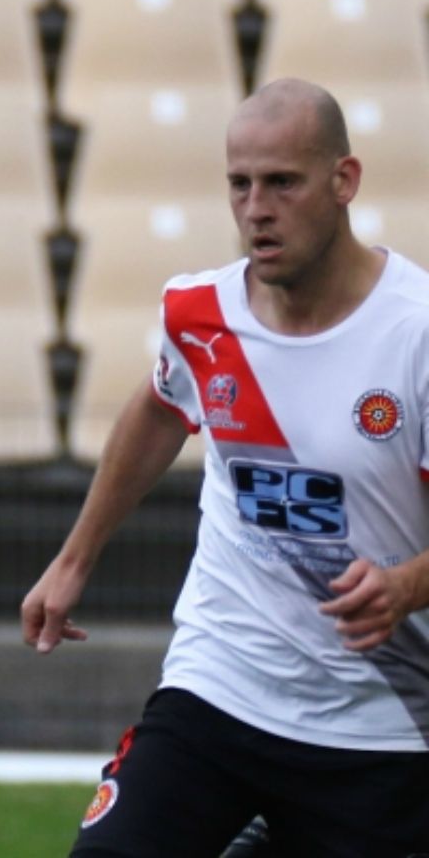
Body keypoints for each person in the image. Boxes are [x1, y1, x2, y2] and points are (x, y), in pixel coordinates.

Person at [21, 78, 429, 857]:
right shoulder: (200, 314)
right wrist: (75, 560)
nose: (256, 208)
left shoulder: (416, 335)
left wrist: (406, 586)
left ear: (344, 181)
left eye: (283, 182)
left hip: (381, 719)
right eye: (240, 184)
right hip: (222, 686)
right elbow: (159, 409)